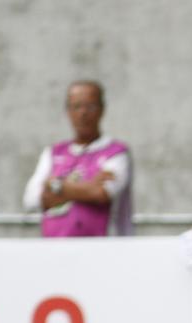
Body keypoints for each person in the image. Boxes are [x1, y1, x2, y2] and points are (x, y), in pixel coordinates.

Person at [23, 80, 133, 237]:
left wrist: (55, 186)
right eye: (76, 106)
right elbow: (31, 200)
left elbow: (102, 194)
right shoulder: (53, 153)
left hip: (103, 250)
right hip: (55, 250)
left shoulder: (116, 152)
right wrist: (88, 187)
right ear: (67, 111)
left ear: (102, 110)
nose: (83, 113)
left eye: (90, 106)